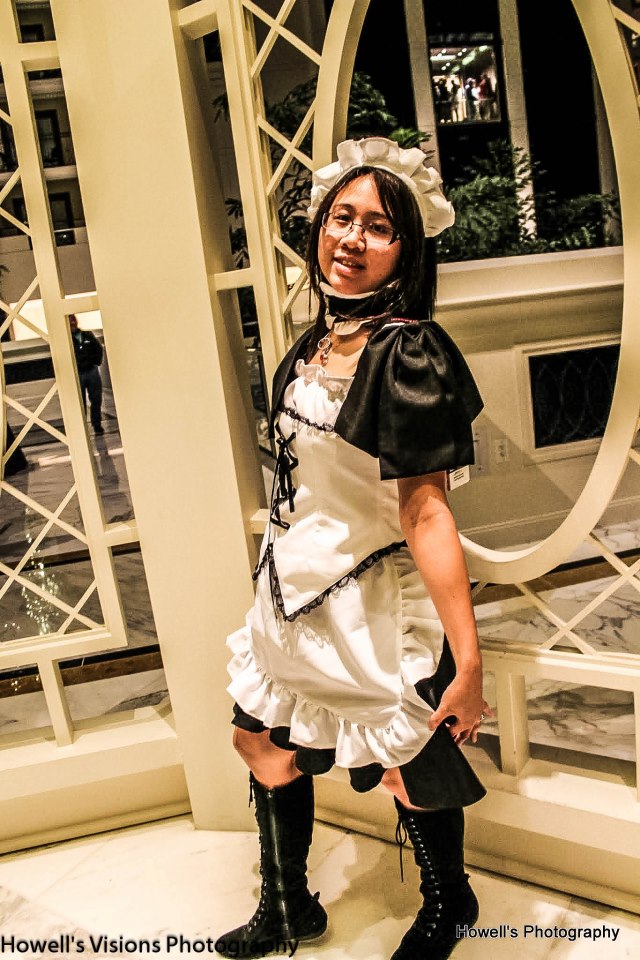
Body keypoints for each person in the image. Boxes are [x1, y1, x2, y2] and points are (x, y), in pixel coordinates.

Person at [218, 137, 491, 960]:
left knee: (408, 763)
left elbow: (426, 512)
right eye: (343, 218)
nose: (351, 238)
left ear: (406, 249)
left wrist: (469, 660)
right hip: (289, 590)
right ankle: (287, 906)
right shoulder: (317, 340)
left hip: (370, 599)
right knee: (259, 739)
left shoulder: (407, 351)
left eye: (378, 226)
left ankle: (448, 905)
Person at [69, 314, 104, 434]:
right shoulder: (66, 339)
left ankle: (97, 425)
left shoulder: (87, 335)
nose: (73, 323)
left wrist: (96, 362)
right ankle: (82, 428)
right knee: (80, 402)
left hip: (91, 371)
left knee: (96, 398)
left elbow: (98, 348)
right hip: (78, 373)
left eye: (74, 320)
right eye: (70, 321)